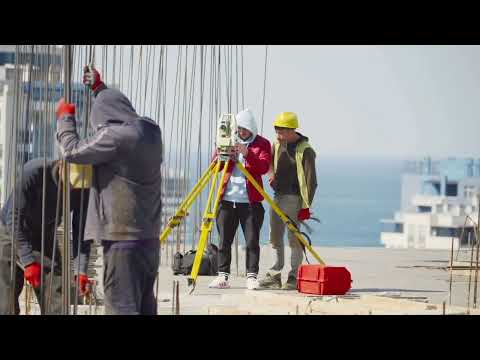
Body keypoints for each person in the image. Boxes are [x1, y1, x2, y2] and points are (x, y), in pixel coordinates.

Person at [55, 66, 163, 315]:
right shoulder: (150, 131)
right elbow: (117, 112)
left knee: (121, 307)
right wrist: (100, 90)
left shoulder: (116, 137)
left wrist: (64, 118)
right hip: (149, 240)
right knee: (145, 306)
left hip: (122, 241)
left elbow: (72, 151)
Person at [0, 158, 91, 315]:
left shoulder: (83, 187)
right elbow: (12, 216)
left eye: (74, 187)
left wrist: (80, 270)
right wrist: (28, 260)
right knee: (5, 301)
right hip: (10, 231)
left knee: (56, 297)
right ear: (62, 165)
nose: (71, 190)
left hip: (44, 235)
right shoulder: (35, 171)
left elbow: (81, 230)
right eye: (68, 184)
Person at [208, 109, 271, 290]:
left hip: (250, 203)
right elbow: (214, 168)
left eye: (244, 129)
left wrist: (247, 153)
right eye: (239, 128)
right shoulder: (229, 140)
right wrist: (223, 154)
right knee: (224, 241)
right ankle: (222, 276)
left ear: (251, 128)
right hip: (227, 200)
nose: (240, 132)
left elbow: (263, 167)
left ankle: (251, 276)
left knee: (251, 241)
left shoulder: (262, 144)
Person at [258, 112, 318, 290]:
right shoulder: (277, 144)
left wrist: (306, 207)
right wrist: (270, 176)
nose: (277, 135)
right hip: (278, 197)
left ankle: (293, 277)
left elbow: (311, 181)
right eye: (276, 130)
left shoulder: (306, 150)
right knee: (275, 237)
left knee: (294, 239)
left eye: (281, 131)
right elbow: (269, 163)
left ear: (292, 130)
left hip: (295, 199)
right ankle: (275, 276)